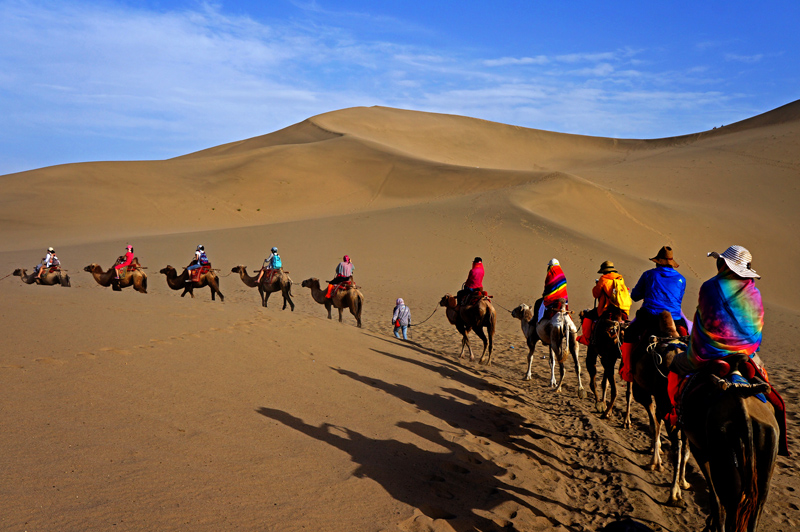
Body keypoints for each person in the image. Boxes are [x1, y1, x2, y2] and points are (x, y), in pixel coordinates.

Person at [668, 245, 788, 456]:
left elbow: (702, 321)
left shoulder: (710, 287)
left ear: (723, 264)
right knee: (762, 377)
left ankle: (675, 415)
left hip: (710, 353)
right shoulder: (754, 291)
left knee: (675, 365)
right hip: (746, 354)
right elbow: (756, 328)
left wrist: (702, 345)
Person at [620, 246, 687, 381]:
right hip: (674, 318)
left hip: (650, 315)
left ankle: (627, 369)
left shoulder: (649, 274)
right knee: (687, 337)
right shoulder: (681, 279)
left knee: (629, 334)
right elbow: (678, 299)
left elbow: (635, 295)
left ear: (658, 262)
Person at [579, 260, 631, 345]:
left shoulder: (603, 279)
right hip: (622, 310)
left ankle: (587, 339)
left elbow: (596, 294)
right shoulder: (620, 279)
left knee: (588, 315)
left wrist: (597, 285)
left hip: (606, 308)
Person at [536, 258, 568, 323]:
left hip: (552, 300)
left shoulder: (550, 276)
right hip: (564, 299)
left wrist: (545, 294)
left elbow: (547, 288)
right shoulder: (562, 276)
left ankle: (538, 321)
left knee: (539, 303)